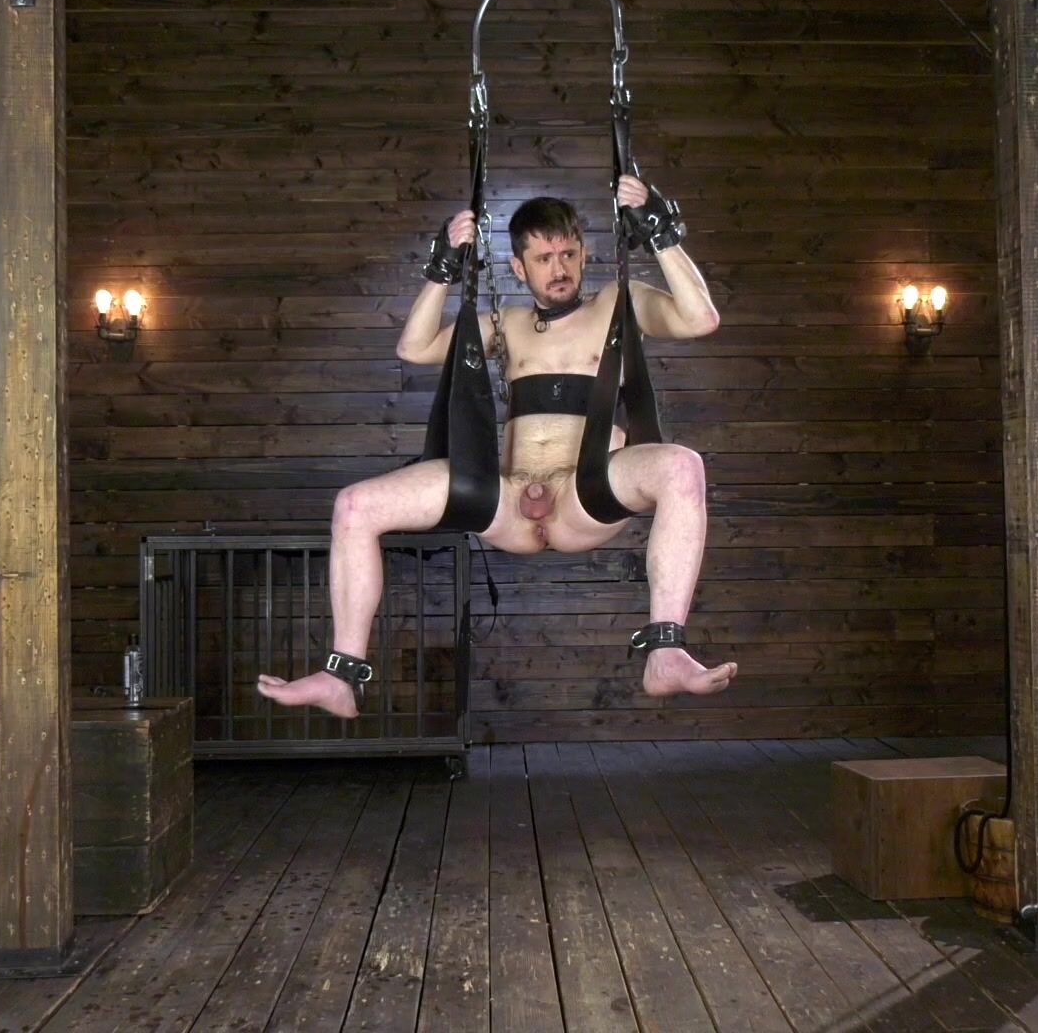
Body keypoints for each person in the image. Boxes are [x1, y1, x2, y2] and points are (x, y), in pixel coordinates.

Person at [257, 174, 738, 718]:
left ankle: (665, 651)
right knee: (354, 506)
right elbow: (414, 348)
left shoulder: (619, 303)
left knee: (682, 467)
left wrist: (660, 231)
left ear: (585, 253)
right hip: (506, 499)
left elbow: (701, 318)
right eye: (543, 259)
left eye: (568, 254)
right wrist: (444, 266)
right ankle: (341, 676)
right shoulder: (505, 323)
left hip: (587, 493)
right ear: (518, 268)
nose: (559, 269)